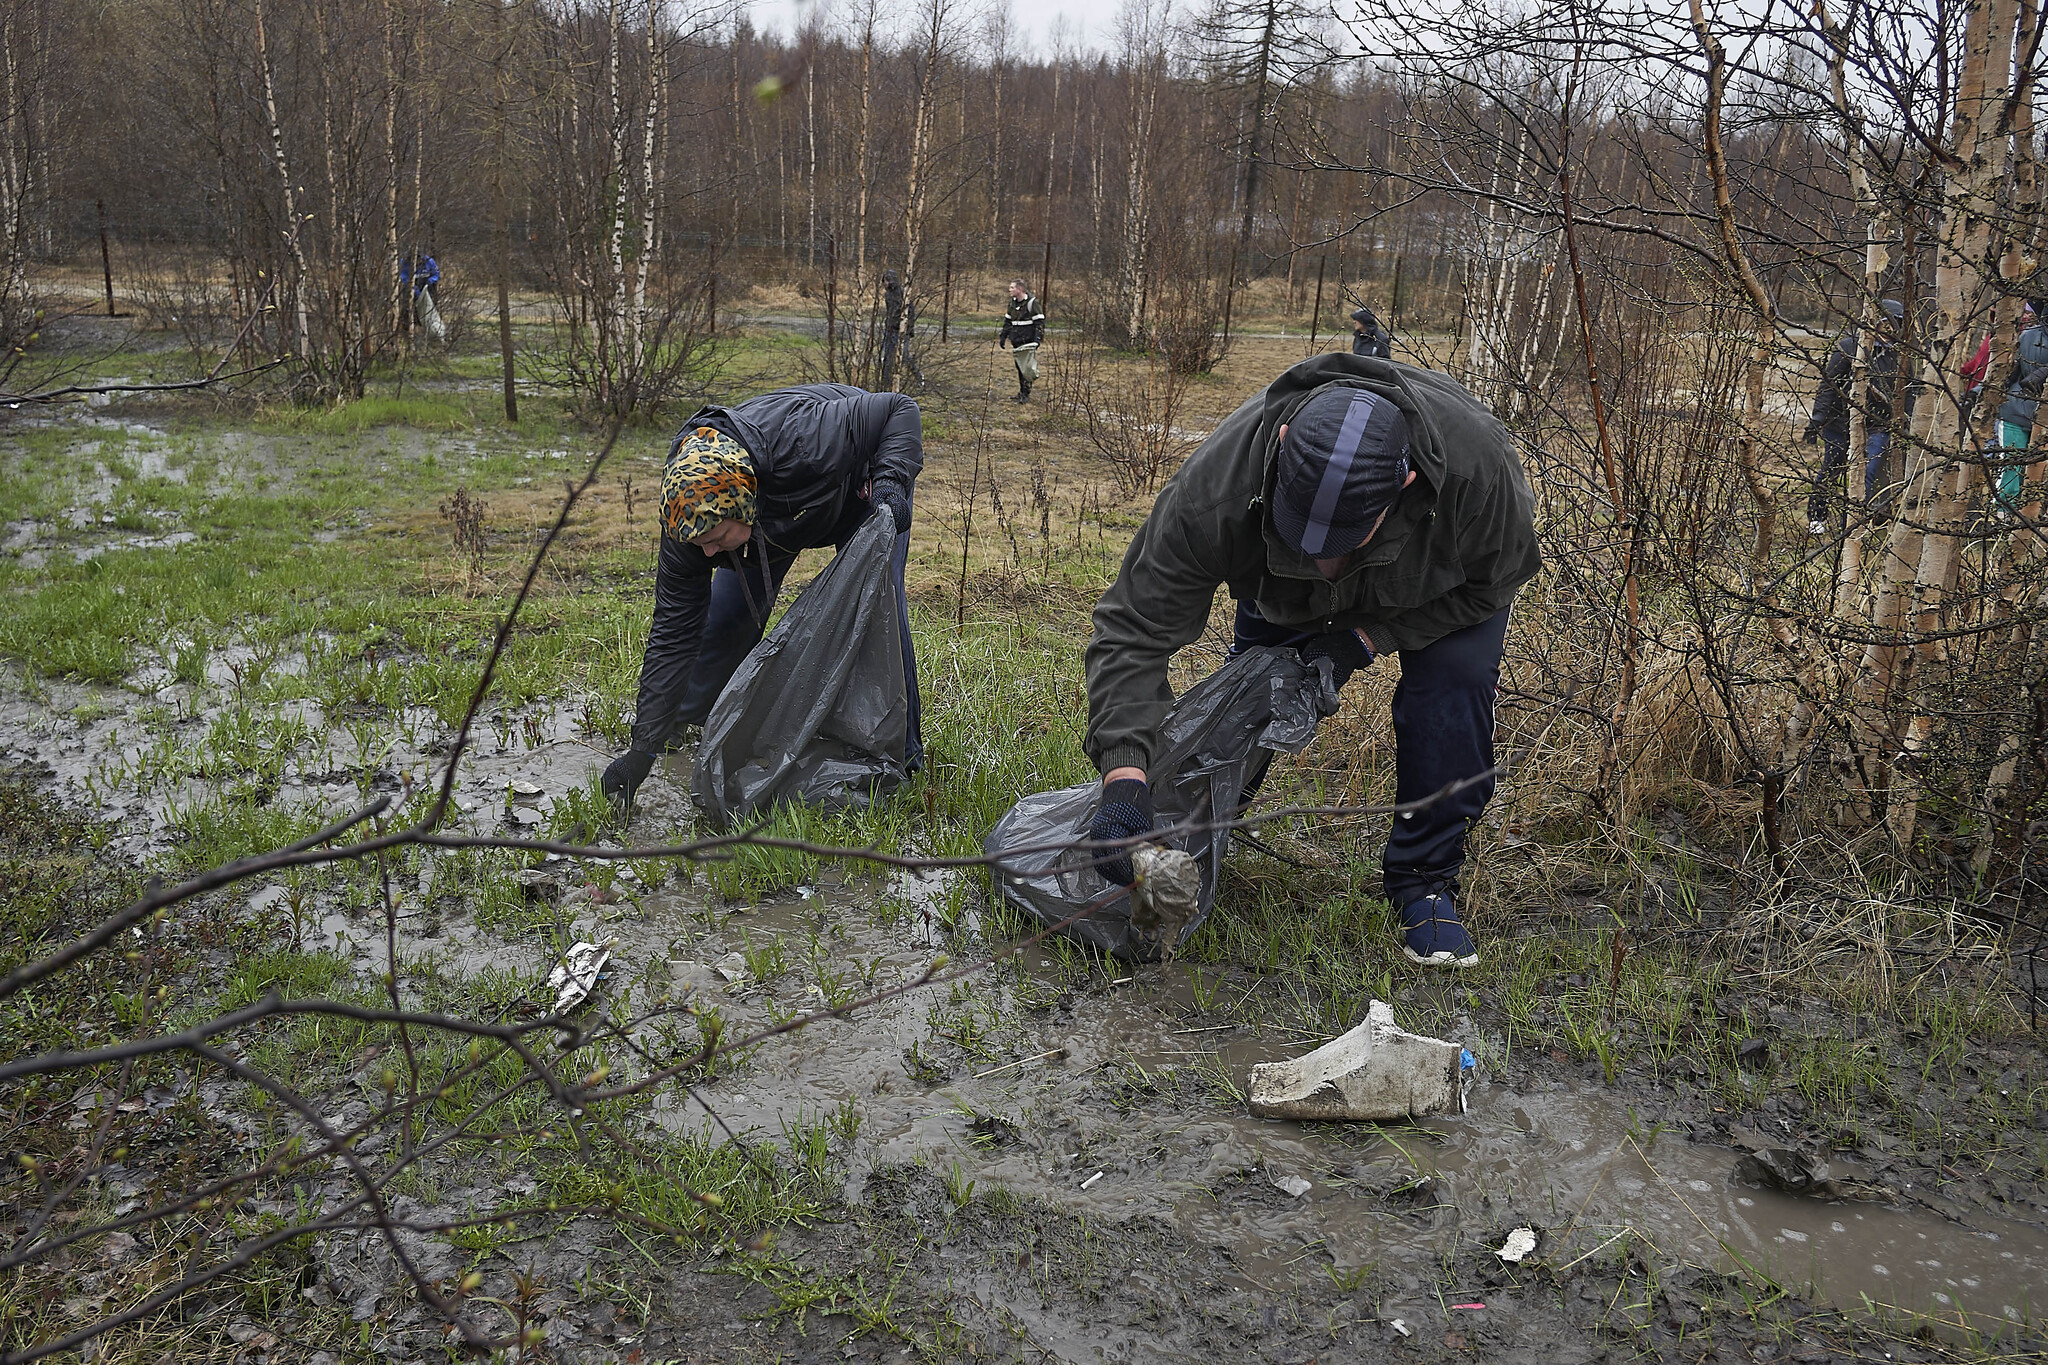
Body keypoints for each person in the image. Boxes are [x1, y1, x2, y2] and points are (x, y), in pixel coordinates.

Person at [1081, 353, 1540, 968]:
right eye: (1300, 528)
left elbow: (1493, 582)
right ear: (1283, 440)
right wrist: (1124, 778)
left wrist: (1369, 636)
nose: (1323, 560)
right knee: (1255, 695)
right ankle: (1193, 839)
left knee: (1451, 694)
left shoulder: (1477, 472)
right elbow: (1134, 627)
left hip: (1432, 596)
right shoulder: (1215, 491)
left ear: (1403, 486)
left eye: (1343, 539)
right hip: (1282, 598)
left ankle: (1425, 880)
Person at [599, 384, 926, 811]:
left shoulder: (805, 441)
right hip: (771, 520)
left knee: (876, 615)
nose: (709, 554)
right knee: (728, 617)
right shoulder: (690, 521)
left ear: (743, 505)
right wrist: (642, 750)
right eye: (700, 545)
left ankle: (905, 756)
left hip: (862, 486)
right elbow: (673, 632)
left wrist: (889, 484)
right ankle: (690, 722)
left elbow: (899, 410)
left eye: (715, 540)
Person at [1803, 298, 1906, 534]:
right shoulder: (1849, 348)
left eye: (1896, 324)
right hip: (1841, 424)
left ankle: (1850, 525)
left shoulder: (1900, 356)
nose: (1890, 330)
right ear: (1874, 323)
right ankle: (1817, 517)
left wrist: (1904, 422)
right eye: (1886, 323)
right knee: (1832, 468)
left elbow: (1905, 393)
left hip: (1877, 427)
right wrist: (1817, 420)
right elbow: (1828, 386)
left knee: (1866, 474)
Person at [1992, 300, 2048, 517]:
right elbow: (2006, 372)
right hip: (2016, 411)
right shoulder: (2027, 337)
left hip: (2042, 419)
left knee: (2038, 476)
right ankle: (2003, 523)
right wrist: (1980, 394)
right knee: (2012, 470)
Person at [998, 279, 1045, 403]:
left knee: (1026, 368)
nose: (1010, 290)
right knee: (1019, 367)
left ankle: (1026, 394)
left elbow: (1039, 322)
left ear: (1019, 289)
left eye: (1012, 288)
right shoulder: (1012, 304)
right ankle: (1022, 392)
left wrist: (1037, 339)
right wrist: (1003, 336)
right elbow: (1008, 322)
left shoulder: (1032, 303)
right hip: (1016, 340)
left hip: (1028, 340)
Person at [401, 250, 445, 342]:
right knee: (410, 314)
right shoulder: (404, 263)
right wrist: (412, 287)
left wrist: (431, 281)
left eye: (418, 260)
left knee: (429, 312)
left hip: (427, 292)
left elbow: (436, 274)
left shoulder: (429, 261)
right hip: (411, 293)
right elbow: (402, 277)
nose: (417, 263)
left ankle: (432, 333)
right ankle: (410, 335)